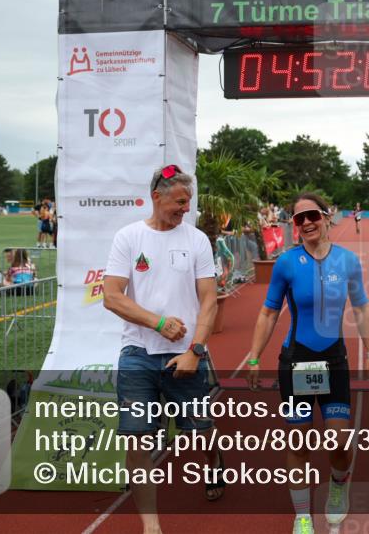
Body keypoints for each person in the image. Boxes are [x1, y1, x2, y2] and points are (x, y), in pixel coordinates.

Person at [246, 192, 369, 534]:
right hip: (298, 360)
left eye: (312, 216)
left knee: (337, 441)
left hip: (333, 359)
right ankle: (302, 514)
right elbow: (269, 312)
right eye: (299, 218)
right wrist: (254, 356)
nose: (306, 222)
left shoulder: (348, 261)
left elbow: (362, 308)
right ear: (294, 226)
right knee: (299, 441)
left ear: (326, 217)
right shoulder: (287, 263)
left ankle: (337, 484)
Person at [102, 164, 223, 534]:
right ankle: (151, 526)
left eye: (188, 202)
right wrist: (156, 323)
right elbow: (110, 295)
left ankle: (213, 460)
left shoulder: (197, 240)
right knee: (138, 438)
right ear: (157, 196)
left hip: (187, 355)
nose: (185, 209)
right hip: (137, 354)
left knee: (200, 428)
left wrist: (195, 350)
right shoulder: (128, 237)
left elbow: (209, 301)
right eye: (179, 201)